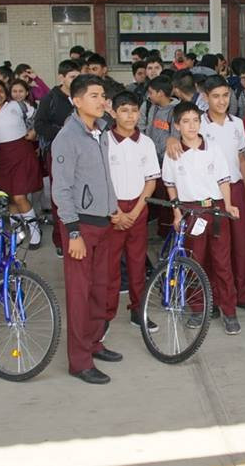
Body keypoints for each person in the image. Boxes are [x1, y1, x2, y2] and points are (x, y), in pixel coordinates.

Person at [51, 75, 122, 384]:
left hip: (104, 221)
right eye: (94, 95)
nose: (101, 100)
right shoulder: (67, 137)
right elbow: (62, 189)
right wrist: (73, 231)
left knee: (100, 289)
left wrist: (114, 205)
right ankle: (79, 361)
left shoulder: (101, 131)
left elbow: (105, 176)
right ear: (76, 101)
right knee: (79, 296)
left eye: (102, 95)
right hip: (80, 225)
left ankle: (94, 343)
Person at [162, 101, 242, 334]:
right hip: (189, 210)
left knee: (222, 262)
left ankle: (228, 310)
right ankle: (198, 308)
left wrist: (228, 205)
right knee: (194, 261)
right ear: (177, 125)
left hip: (214, 209)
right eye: (185, 121)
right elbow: (171, 187)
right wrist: (177, 214)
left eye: (195, 120)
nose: (191, 126)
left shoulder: (212, 148)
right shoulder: (173, 152)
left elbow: (223, 180)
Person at [196, 76, 245, 315]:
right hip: (210, 192)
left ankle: (243, 294)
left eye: (226, 95)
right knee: (216, 248)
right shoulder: (199, 125)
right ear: (205, 97)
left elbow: (242, 160)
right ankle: (214, 296)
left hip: (235, 188)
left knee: (240, 245)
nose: (222, 100)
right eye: (216, 96)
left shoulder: (236, 123)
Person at [104, 92, 160, 330]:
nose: (130, 115)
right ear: (113, 113)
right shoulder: (103, 141)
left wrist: (136, 212)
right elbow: (102, 180)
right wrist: (115, 211)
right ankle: (105, 316)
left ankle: (139, 310)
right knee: (110, 266)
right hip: (112, 210)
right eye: (124, 110)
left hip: (138, 208)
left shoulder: (145, 142)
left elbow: (151, 181)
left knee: (138, 264)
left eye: (134, 110)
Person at [0, 78, 43, 249]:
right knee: (9, 197)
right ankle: (17, 232)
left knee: (19, 195)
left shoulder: (18, 106)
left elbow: (39, 118)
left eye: (1, 91)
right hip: (0, 157)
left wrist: (34, 131)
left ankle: (34, 229)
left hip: (21, 153)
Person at [35, 59, 83, 256]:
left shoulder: (82, 97)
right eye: (72, 77)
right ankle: (60, 239)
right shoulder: (51, 99)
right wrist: (63, 132)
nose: (76, 80)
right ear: (61, 78)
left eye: (78, 76)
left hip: (81, 155)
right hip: (58, 154)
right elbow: (39, 125)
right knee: (60, 197)